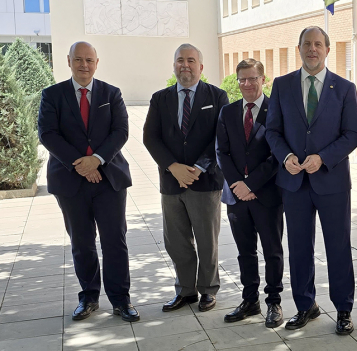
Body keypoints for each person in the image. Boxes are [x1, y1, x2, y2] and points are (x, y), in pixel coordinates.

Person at [265, 26, 357, 335]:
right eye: (307, 44)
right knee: (299, 247)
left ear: (327, 50)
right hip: (293, 183)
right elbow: (272, 131)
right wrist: (285, 156)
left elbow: (353, 134)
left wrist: (324, 157)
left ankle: (344, 309)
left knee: (338, 246)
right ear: (299, 48)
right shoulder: (282, 86)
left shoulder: (345, 88)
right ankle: (305, 306)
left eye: (318, 44)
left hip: (331, 181)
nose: (312, 49)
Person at [38, 42, 139, 322]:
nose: (84, 65)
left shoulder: (111, 93)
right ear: (68, 61)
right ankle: (89, 297)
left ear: (97, 62)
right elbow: (47, 134)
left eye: (89, 60)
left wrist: (97, 160)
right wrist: (80, 165)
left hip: (109, 179)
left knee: (114, 240)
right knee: (82, 241)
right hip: (70, 181)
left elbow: (120, 132)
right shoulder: (52, 95)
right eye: (79, 60)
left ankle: (121, 300)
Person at [143, 43, 229, 313]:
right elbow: (150, 137)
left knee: (207, 240)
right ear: (174, 65)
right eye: (180, 60)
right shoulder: (160, 98)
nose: (185, 65)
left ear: (201, 67)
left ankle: (207, 290)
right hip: (172, 182)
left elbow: (221, 138)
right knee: (176, 241)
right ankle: (186, 290)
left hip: (204, 182)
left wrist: (197, 168)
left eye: (191, 60)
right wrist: (172, 167)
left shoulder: (217, 96)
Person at [216, 58, 285, 327]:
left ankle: (274, 302)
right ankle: (250, 299)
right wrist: (237, 185)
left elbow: (277, 155)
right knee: (245, 252)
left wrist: (251, 185)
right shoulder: (228, 112)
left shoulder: (276, 112)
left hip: (265, 195)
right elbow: (222, 152)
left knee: (272, 251)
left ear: (263, 79)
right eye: (242, 79)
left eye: (252, 78)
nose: (247, 84)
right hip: (236, 197)